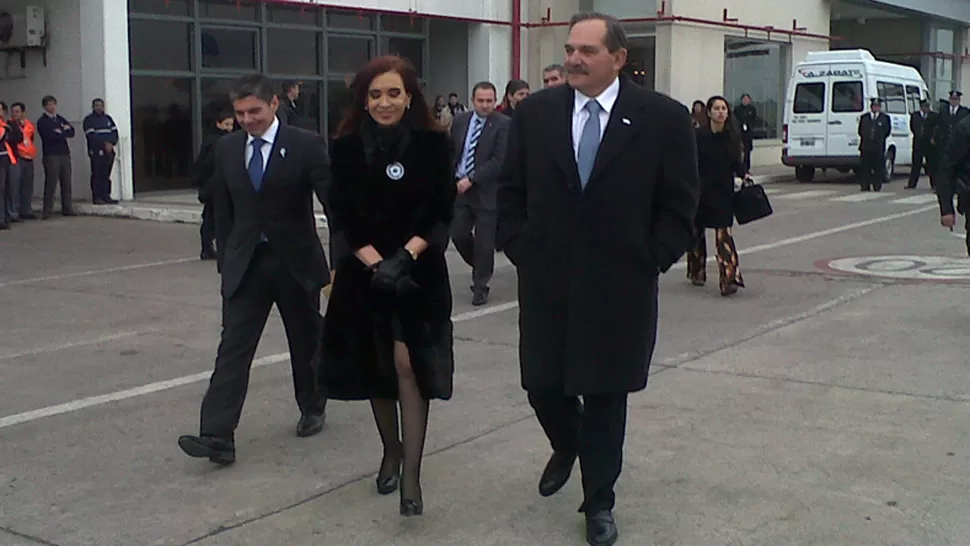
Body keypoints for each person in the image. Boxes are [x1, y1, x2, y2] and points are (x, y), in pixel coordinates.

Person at [496, 12, 699, 546]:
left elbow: (681, 203)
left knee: (607, 397)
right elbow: (510, 191)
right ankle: (568, 442)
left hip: (620, 286)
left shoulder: (662, 118)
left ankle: (598, 503)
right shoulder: (535, 114)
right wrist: (518, 247)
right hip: (547, 280)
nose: (574, 59)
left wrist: (653, 257)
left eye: (587, 50)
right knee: (541, 383)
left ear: (619, 58)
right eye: (570, 49)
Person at [319, 55, 456, 518]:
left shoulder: (434, 144)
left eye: (393, 93)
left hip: (419, 272)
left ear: (410, 95)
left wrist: (407, 255)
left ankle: (412, 477)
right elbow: (341, 214)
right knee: (377, 365)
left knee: (408, 364)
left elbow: (442, 210)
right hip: (364, 274)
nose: (384, 102)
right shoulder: (344, 148)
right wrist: (374, 261)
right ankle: (391, 450)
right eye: (375, 94)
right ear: (363, 99)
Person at [177, 74, 330, 466]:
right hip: (247, 264)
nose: (247, 120)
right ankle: (217, 435)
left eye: (254, 111)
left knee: (306, 339)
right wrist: (226, 260)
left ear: (274, 104)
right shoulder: (227, 149)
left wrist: (342, 262)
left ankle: (313, 404)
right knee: (233, 348)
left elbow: (335, 204)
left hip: (294, 261)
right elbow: (223, 208)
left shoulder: (305, 145)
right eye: (241, 113)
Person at [449, 81, 510, 305]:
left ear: (495, 101)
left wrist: (473, 178)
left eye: (489, 101)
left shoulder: (504, 125)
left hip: (486, 191)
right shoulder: (460, 121)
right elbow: (453, 151)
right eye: (481, 101)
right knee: (458, 233)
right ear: (473, 101)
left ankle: (480, 284)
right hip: (460, 190)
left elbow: (499, 160)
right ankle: (480, 264)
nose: (485, 105)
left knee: (485, 242)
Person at [688, 95, 748, 296]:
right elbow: (689, 162)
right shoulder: (698, 136)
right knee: (696, 233)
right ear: (709, 112)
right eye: (717, 109)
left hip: (723, 191)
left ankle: (729, 278)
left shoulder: (732, 136)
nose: (721, 112)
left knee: (724, 235)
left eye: (724, 108)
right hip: (700, 190)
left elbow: (736, 163)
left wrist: (744, 174)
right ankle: (697, 271)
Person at [190, 111, 235, 260]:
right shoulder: (218, 142)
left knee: (211, 217)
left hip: (213, 185)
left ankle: (208, 247)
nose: (229, 128)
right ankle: (209, 247)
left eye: (231, 124)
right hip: (215, 185)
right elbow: (209, 165)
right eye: (226, 124)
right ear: (218, 124)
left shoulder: (216, 140)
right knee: (214, 217)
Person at [82, 98, 119, 204]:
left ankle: (106, 195)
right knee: (97, 174)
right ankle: (97, 197)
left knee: (106, 174)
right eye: (96, 105)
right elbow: (91, 136)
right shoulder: (89, 120)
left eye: (100, 105)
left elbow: (115, 132)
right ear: (93, 107)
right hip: (96, 151)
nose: (99, 107)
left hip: (109, 151)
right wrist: (104, 144)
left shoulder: (108, 119)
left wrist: (111, 143)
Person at [858, 97, 891, 192]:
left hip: (878, 147)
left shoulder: (884, 118)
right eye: (874, 106)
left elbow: (887, 131)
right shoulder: (864, 117)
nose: (875, 108)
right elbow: (860, 131)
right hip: (866, 146)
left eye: (877, 106)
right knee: (865, 167)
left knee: (878, 168)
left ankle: (877, 185)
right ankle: (865, 185)